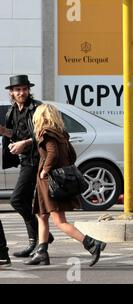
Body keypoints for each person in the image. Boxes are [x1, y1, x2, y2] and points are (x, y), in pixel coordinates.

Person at [24, 104, 106, 266]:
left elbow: (52, 153)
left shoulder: (46, 133)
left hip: (50, 181)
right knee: (42, 215)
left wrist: (45, 170)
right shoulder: (61, 134)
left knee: (60, 221)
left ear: (41, 117)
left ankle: (91, 244)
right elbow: (72, 156)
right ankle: (42, 252)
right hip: (55, 181)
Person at [0, 75, 53, 258]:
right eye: (17, 90)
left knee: (17, 200)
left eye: (24, 89)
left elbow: (44, 133)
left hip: (38, 160)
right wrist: (5, 133)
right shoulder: (12, 111)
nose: (21, 92)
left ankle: (40, 239)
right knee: (29, 202)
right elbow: (15, 134)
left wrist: (26, 143)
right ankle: (39, 241)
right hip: (25, 160)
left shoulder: (37, 108)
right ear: (11, 93)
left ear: (28, 90)